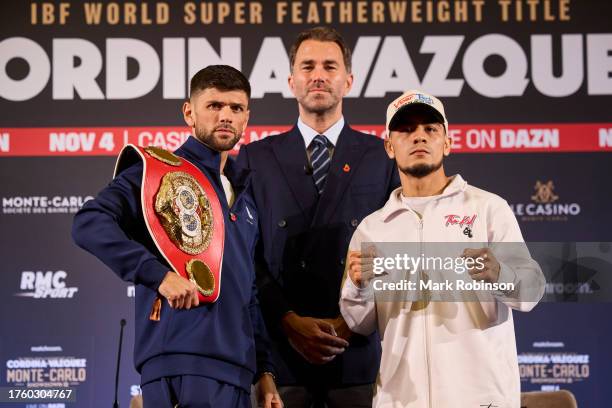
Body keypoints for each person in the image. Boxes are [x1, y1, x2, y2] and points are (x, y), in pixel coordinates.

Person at [72, 65, 282, 408]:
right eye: (214, 106)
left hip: (237, 373)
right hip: (181, 363)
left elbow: (249, 293)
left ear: (246, 118)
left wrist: (264, 372)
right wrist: (159, 276)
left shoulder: (244, 194)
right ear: (189, 112)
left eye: (236, 108)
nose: (226, 116)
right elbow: (89, 222)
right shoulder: (157, 171)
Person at [340, 90, 546, 407]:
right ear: (389, 147)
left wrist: (499, 273)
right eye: (406, 129)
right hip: (401, 399)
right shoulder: (373, 228)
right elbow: (358, 322)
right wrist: (358, 285)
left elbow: (530, 293)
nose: (419, 136)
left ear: (447, 142)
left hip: (481, 398)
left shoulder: (488, 208)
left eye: (431, 129)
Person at [237, 27, 399, 407]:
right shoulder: (255, 159)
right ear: (292, 81)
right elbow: (247, 257)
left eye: (330, 65)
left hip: (357, 359)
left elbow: (397, 251)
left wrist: (350, 321)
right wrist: (288, 321)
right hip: (281, 364)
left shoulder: (383, 157)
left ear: (349, 80)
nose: (319, 75)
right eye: (307, 66)